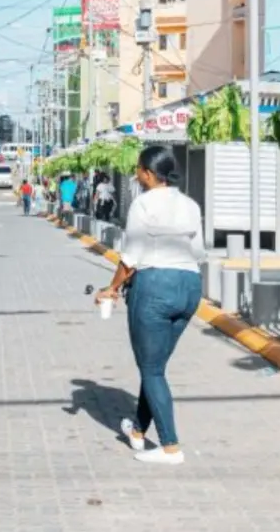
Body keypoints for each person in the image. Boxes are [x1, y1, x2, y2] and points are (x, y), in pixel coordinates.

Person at [95, 145, 205, 465]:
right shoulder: (189, 204)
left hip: (155, 286)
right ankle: (138, 431)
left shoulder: (143, 204)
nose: (135, 174)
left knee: (152, 368)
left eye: (138, 169)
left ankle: (171, 447)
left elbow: (131, 258)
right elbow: (198, 251)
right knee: (154, 366)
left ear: (147, 173)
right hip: (190, 286)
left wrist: (111, 288)